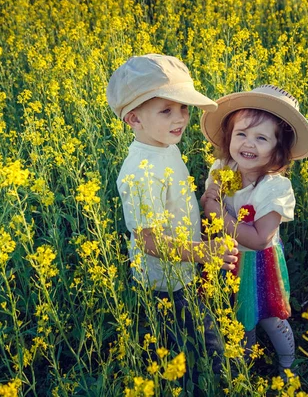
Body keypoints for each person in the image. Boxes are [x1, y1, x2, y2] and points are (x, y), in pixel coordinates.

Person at [106, 54, 239, 387]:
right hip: (164, 285)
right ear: (133, 119)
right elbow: (148, 240)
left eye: (183, 108)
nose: (180, 118)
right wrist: (202, 252)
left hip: (182, 270)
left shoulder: (164, 144)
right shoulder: (140, 173)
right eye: (166, 110)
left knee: (185, 344)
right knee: (198, 349)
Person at [200, 84, 308, 375]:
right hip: (227, 257)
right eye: (241, 134)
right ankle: (246, 366)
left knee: (268, 317)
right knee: (238, 315)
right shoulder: (222, 167)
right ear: (229, 136)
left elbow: (259, 239)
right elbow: (208, 199)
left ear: (279, 149)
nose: (248, 144)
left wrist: (215, 212)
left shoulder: (276, 187)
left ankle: (288, 362)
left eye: (261, 138)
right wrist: (210, 201)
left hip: (259, 262)